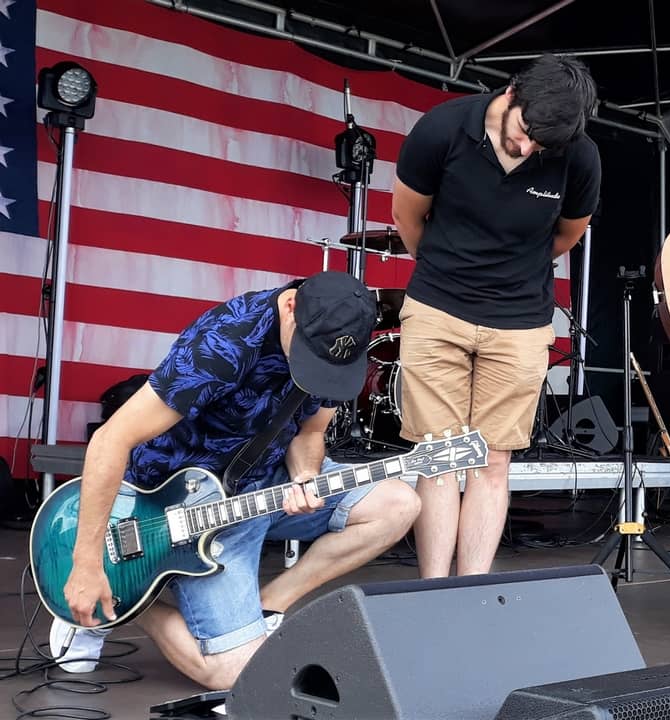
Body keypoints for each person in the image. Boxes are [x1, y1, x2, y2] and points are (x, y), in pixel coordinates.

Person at [52, 272, 419, 690]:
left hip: (259, 490)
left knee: (399, 504)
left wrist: (304, 475)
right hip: (171, 503)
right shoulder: (224, 342)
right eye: (308, 356)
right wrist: (86, 567)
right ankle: (127, 601)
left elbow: (311, 433)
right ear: (290, 306)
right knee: (237, 676)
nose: (316, 373)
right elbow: (110, 440)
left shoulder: (338, 354)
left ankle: (266, 608)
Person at [391, 54, 600, 579]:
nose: (528, 148)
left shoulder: (580, 157)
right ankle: (432, 589)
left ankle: (471, 590)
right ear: (510, 94)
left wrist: (509, 275)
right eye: (525, 131)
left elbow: (567, 235)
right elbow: (406, 216)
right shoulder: (441, 128)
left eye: (541, 146)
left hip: (522, 321)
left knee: (493, 460)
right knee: (438, 458)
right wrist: (449, 272)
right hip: (437, 308)